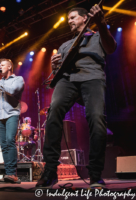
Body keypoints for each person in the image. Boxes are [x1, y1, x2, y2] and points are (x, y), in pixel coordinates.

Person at [36, 5, 117, 188]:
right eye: (68, 19)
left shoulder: (98, 36)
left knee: (96, 119)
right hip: (67, 79)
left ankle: (95, 175)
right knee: (53, 112)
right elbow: (57, 71)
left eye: (72, 18)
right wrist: (54, 66)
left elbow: (111, 48)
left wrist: (101, 23)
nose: (69, 21)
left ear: (83, 18)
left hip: (92, 77)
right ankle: (50, 171)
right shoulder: (64, 45)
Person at [0, 58, 25, 183]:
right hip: (0, 116)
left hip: (12, 114)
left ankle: (12, 173)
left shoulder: (18, 79)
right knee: (3, 145)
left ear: (9, 67)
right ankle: (8, 173)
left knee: (10, 141)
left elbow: (12, 90)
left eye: (2, 65)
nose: (0, 67)